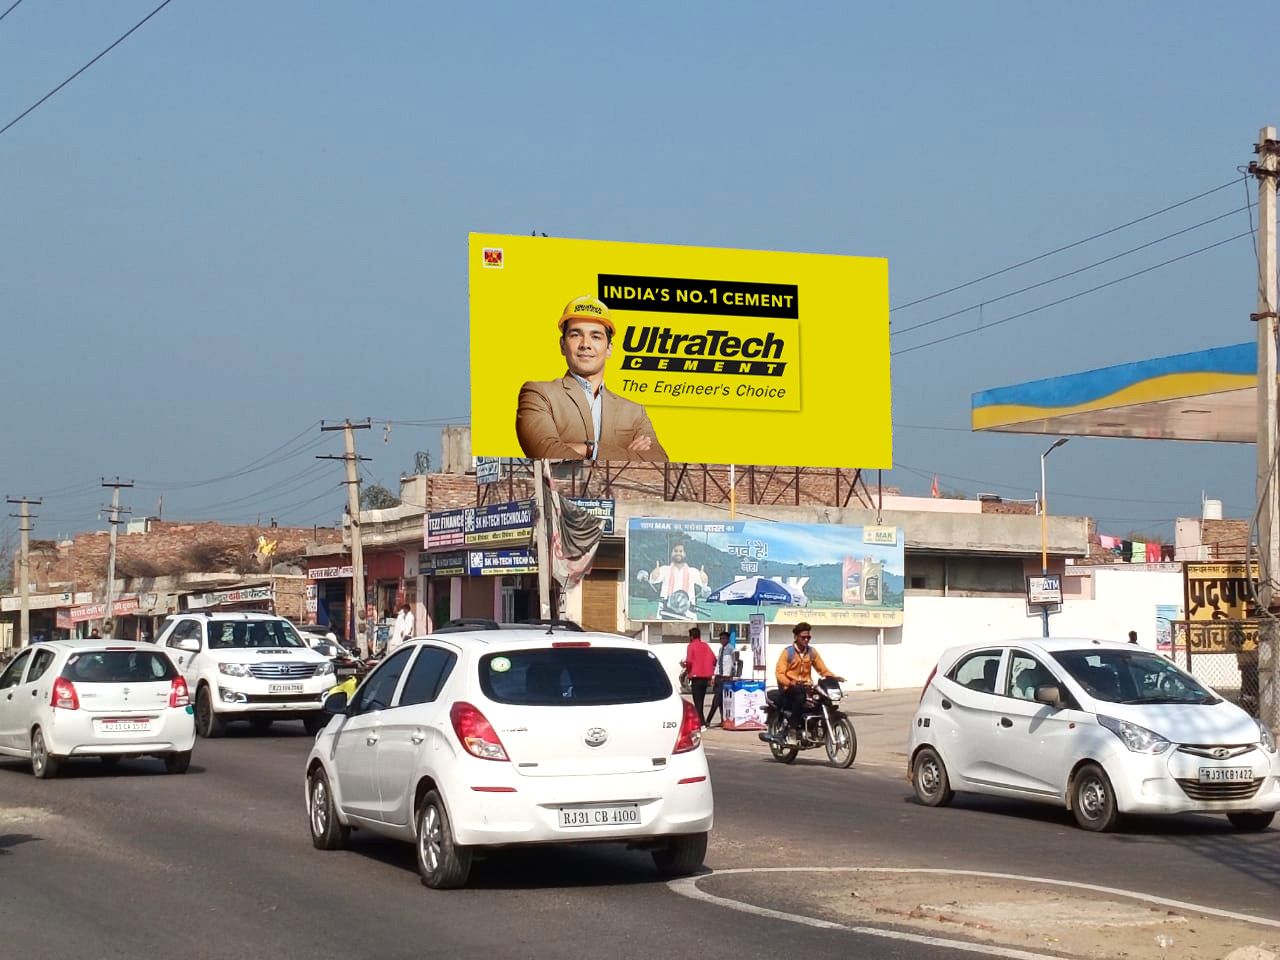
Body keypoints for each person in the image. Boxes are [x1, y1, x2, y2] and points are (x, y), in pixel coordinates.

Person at [515, 295, 668, 461]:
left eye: (595, 337)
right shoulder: (539, 394)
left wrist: (590, 449)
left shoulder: (634, 412)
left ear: (609, 349)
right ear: (562, 345)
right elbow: (546, 453)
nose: (585, 344)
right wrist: (627, 457)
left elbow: (660, 462)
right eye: (575, 335)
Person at [772, 622, 843, 740]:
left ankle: (816, 727)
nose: (806, 639)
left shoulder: (811, 652)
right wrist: (790, 682)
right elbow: (779, 673)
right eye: (803, 637)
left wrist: (834, 677)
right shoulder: (787, 653)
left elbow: (823, 670)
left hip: (806, 686)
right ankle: (793, 728)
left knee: (823, 699)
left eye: (808, 637)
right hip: (789, 688)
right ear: (796, 637)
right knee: (800, 697)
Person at [637, 539, 709, 621]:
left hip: (687, 614)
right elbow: (653, 580)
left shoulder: (693, 571)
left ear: (685, 554)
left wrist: (704, 577)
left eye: (681, 551)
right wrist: (654, 573)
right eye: (675, 551)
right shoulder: (665, 569)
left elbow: (704, 584)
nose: (678, 553)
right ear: (671, 553)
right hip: (666, 612)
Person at [681, 626, 716, 725]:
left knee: (698, 701)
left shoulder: (691, 646)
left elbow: (689, 661)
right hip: (705, 677)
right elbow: (714, 659)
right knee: (701, 699)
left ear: (691, 637)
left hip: (695, 677)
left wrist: (687, 669)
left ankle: (701, 722)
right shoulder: (705, 645)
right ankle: (701, 720)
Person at [704, 630, 735, 727]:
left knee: (716, 700)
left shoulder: (731, 649)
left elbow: (734, 663)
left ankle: (708, 720)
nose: (722, 640)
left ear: (728, 639)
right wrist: (714, 676)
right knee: (720, 701)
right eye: (720, 639)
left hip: (725, 677)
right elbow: (718, 663)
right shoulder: (721, 649)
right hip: (718, 677)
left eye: (724, 638)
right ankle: (723, 720)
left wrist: (732, 675)